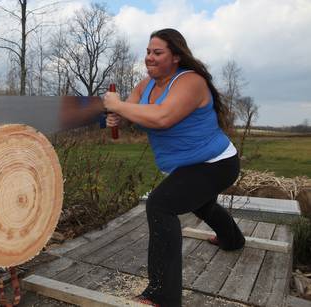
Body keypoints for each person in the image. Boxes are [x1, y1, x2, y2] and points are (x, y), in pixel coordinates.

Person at [103, 28, 245, 307]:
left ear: (176, 57)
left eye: (158, 53)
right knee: (201, 204)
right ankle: (233, 239)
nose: (149, 58)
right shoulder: (145, 86)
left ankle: (162, 295)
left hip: (216, 163)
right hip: (189, 166)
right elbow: (131, 112)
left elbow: (162, 118)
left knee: (160, 205)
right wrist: (117, 116)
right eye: (147, 52)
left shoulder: (190, 82)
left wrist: (118, 106)